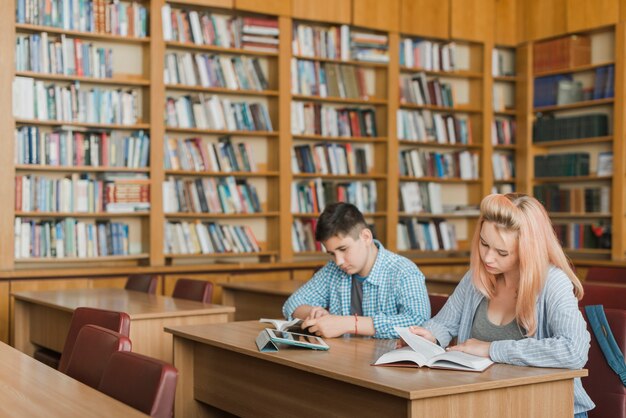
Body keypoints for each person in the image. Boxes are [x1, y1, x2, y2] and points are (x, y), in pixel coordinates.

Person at [407, 193, 594, 417]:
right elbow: (444, 323)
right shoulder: (477, 277)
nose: (487, 258)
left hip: (547, 406)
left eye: (501, 252)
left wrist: (491, 349)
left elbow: (574, 351)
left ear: (528, 249)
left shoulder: (553, 282)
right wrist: (430, 336)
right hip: (489, 403)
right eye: (484, 244)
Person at [283, 202, 430, 339]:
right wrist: (315, 313)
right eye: (332, 254)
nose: (338, 261)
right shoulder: (333, 270)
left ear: (366, 237)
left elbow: (419, 321)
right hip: (341, 361)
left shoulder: (404, 271)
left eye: (343, 249)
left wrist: (348, 324)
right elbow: (292, 303)